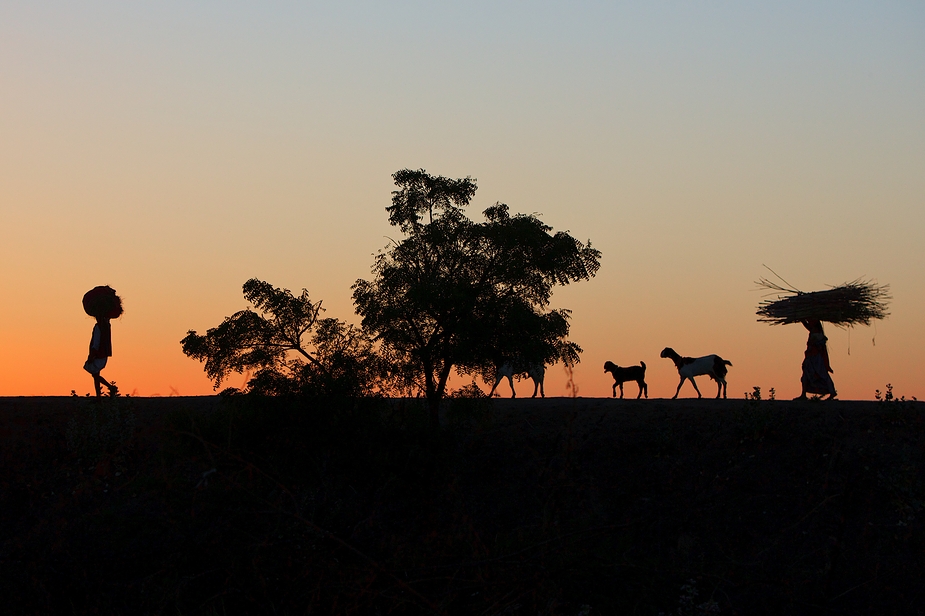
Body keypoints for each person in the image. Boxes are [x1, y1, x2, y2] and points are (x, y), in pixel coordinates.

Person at [82, 286, 122, 397]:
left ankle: (110, 388)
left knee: (95, 374)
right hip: (102, 352)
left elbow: (96, 341)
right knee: (95, 374)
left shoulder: (99, 327)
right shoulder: (106, 325)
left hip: (98, 353)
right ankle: (99, 395)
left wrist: (92, 354)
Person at [794, 318, 836, 400]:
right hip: (811, 357)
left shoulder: (818, 334)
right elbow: (809, 328)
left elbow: (820, 348)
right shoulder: (814, 332)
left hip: (816, 359)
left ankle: (832, 392)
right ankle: (803, 394)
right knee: (806, 375)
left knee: (822, 374)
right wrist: (802, 320)